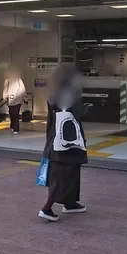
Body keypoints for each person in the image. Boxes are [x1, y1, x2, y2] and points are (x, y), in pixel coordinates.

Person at [39, 64, 87, 221]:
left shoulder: (54, 93)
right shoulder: (69, 93)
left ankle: (70, 202)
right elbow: (78, 112)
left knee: (70, 173)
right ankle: (47, 208)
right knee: (62, 176)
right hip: (66, 143)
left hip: (57, 140)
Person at [2, 69, 27, 135]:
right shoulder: (7, 80)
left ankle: (16, 128)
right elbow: (5, 89)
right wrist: (4, 97)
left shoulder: (19, 80)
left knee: (15, 114)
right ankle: (13, 126)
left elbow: (23, 89)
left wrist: (25, 98)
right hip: (10, 100)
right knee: (12, 113)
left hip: (18, 100)